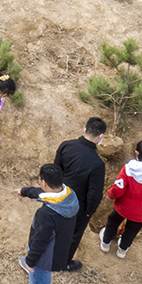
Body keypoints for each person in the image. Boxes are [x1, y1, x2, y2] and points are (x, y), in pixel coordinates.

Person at [11, 163, 79, 284]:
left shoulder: (46, 215)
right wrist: (25, 191)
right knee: (40, 279)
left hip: (45, 257)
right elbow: (44, 194)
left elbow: (40, 242)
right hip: (60, 246)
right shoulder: (69, 196)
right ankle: (29, 262)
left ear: (44, 183)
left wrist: (31, 261)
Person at [53, 116, 107, 271]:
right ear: (100, 137)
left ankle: (42, 251)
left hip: (57, 195)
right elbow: (94, 194)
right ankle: (63, 263)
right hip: (77, 205)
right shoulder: (97, 164)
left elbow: (56, 170)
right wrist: (88, 212)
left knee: (51, 225)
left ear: (84, 128)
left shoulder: (66, 145)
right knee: (73, 235)